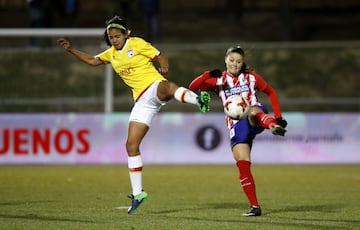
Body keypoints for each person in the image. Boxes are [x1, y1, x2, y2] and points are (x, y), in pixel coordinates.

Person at [57, 16, 210, 214]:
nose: (114, 39)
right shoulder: (111, 54)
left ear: (126, 34)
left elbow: (160, 56)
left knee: (167, 86)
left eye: (117, 36)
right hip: (142, 102)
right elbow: (93, 61)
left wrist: (163, 64)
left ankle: (198, 100)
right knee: (131, 145)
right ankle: (138, 193)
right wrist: (71, 50)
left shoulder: (136, 43)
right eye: (111, 37)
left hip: (153, 86)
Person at [189, 45, 287, 217]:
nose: (235, 64)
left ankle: (272, 125)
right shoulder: (218, 81)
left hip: (254, 113)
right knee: (243, 163)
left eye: (239, 61)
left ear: (243, 64)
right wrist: (207, 75)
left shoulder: (251, 78)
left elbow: (270, 92)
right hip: (235, 125)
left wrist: (277, 117)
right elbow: (193, 86)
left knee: (252, 111)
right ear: (225, 60)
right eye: (232, 60)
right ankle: (255, 207)